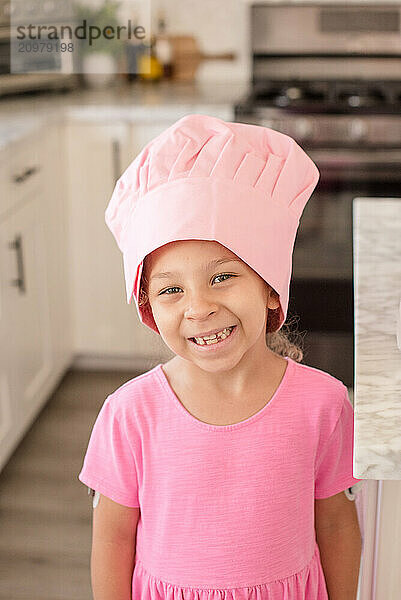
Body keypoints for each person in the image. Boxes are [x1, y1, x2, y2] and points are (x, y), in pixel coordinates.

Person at [78, 114, 364, 600]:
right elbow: (111, 537)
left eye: (221, 277)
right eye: (171, 289)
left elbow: (336, 526)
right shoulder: (129, 414)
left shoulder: (324, 403)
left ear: (271, 288)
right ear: (149, 309)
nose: (199, 308)